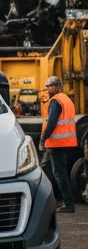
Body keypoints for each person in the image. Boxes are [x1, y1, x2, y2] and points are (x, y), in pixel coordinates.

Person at [40, 75, 77, 213]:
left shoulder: (56, 101)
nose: (48, 89)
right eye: (47, 87)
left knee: (60, 174)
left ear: (58, 87)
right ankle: (57, 199)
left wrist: (43, 139)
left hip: (57, 143)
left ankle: (68, 204)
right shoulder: (67, 100)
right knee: (46, 170)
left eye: (51, 86)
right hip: (62, 143)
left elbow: (51, 123)